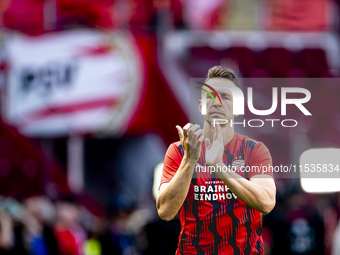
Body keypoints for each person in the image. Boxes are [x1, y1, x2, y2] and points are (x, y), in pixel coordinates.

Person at [156, 66, 276, 254]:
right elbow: (165, 211)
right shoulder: (179, 150)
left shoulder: (255, 150)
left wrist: (219, 167)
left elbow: (266, 202)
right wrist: (190, 160)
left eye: (226, 97)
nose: (217, 102)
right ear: (200, 106)